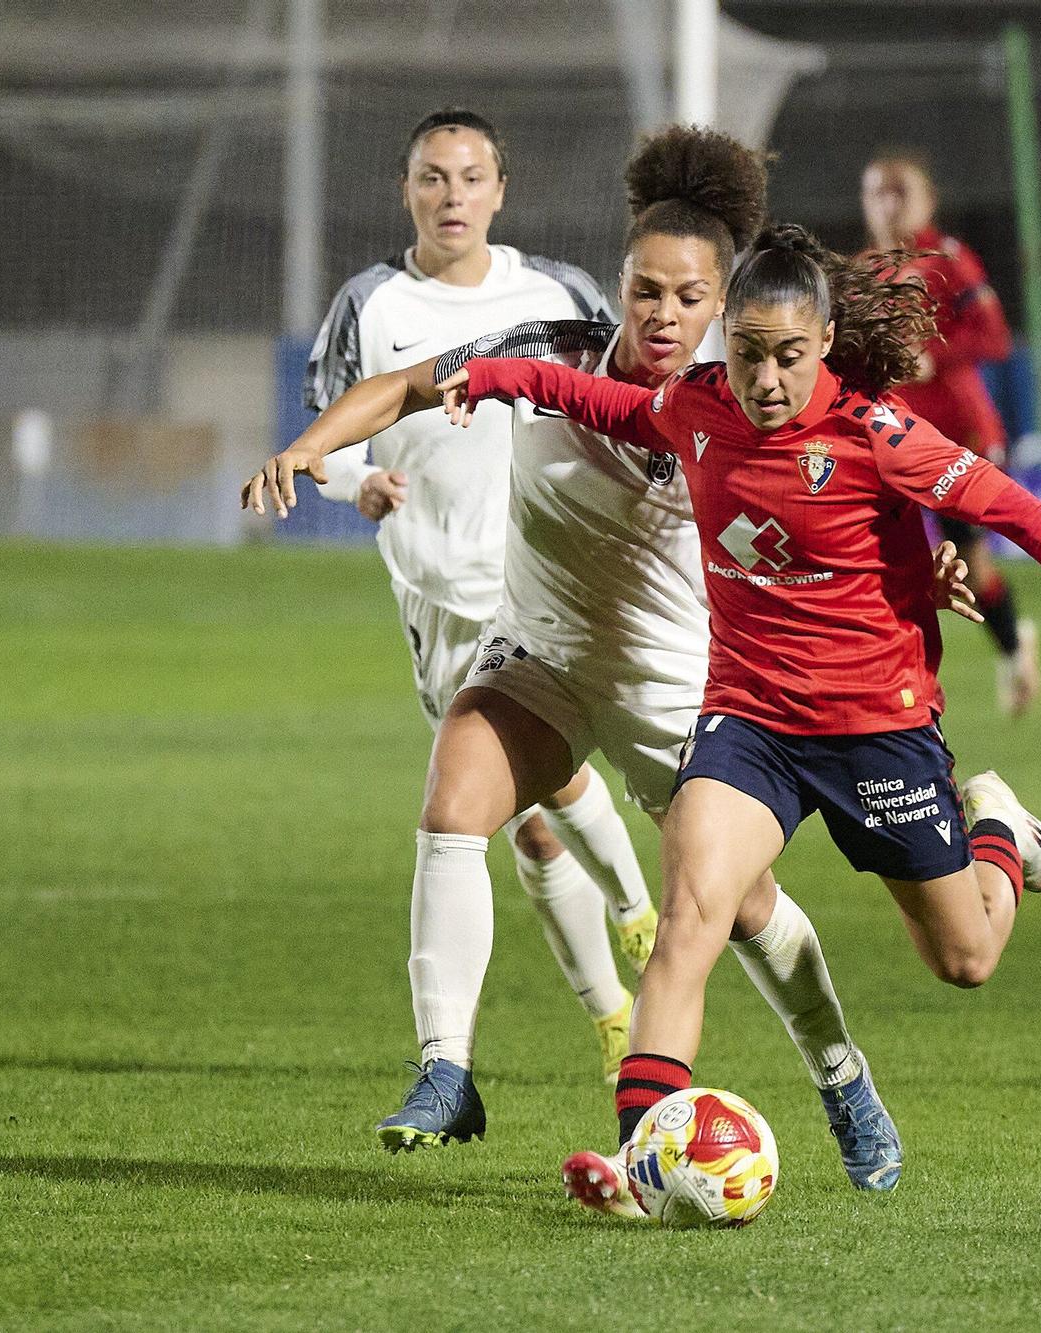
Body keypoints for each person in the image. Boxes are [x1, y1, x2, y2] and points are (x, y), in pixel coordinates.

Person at [437, 224, 1041, 1216]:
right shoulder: (698, 405)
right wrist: (504, 376)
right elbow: (610, 404)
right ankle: (646, 1163)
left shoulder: (877, 434)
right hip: (748, 725)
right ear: (727, 340)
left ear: (820, 343)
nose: (766, 379)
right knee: (688, 918)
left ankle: (998, 828)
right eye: (749, 352)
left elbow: (1020, 513)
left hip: (878, 736)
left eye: (788, 356)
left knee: (964, 959)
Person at [250, 132, 966, 1183]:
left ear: (722, 304)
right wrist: (311, 448)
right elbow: (400, 387)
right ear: (619, 284)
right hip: (538, 653)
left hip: (680, 691)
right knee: (454, 799)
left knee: (742, 909)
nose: (661, 316)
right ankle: (446, 1069)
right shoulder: (550, 347)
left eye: (688, 297)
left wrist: (920, 577)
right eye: (644, 290)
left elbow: (854, 502)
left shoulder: (740, 406)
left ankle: (839, 1074)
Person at [297, 106, 659, 1106]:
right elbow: (327, 439)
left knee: (541, 780)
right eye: (431, 178)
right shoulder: (371, 304)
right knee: (530, 824)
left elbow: (622, 414)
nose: (451, 196)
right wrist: (353, 485)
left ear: (500, 191)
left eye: (469, 178)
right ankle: (612, 1010)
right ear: (406, 190)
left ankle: (635, 915)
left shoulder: (556, 294)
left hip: (542, 573)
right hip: (433, 589)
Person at [862, 148, 1041, 716]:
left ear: (928, 200)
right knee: (872, 559)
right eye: (877, 193)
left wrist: (932, 358)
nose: (889, 205)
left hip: (957, 438)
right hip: (888, 439)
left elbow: (996, 339)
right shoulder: (863, 271)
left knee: (968, 567)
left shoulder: (950, 260)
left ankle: (1014, 649)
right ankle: (882, 687)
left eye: (902, 192)